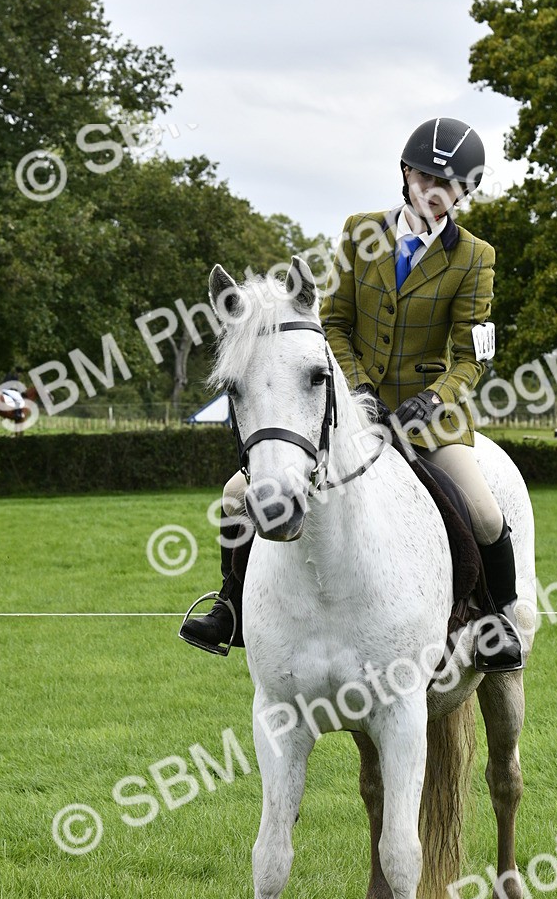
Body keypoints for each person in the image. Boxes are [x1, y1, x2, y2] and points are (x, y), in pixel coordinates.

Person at [180, 116, 521, 671]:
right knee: (234, 496)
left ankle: (495, 620)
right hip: (346, 413)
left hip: (433, 420)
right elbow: (332, 325)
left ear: (466, 192)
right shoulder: (360, 231)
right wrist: (360, 390)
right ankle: (231, 608)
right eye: (427, 178)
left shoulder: (475, 257)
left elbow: (471, 356)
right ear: (406, 173)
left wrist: (431, 401)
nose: (435, 192)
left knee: (482, 513)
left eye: (451, 185)